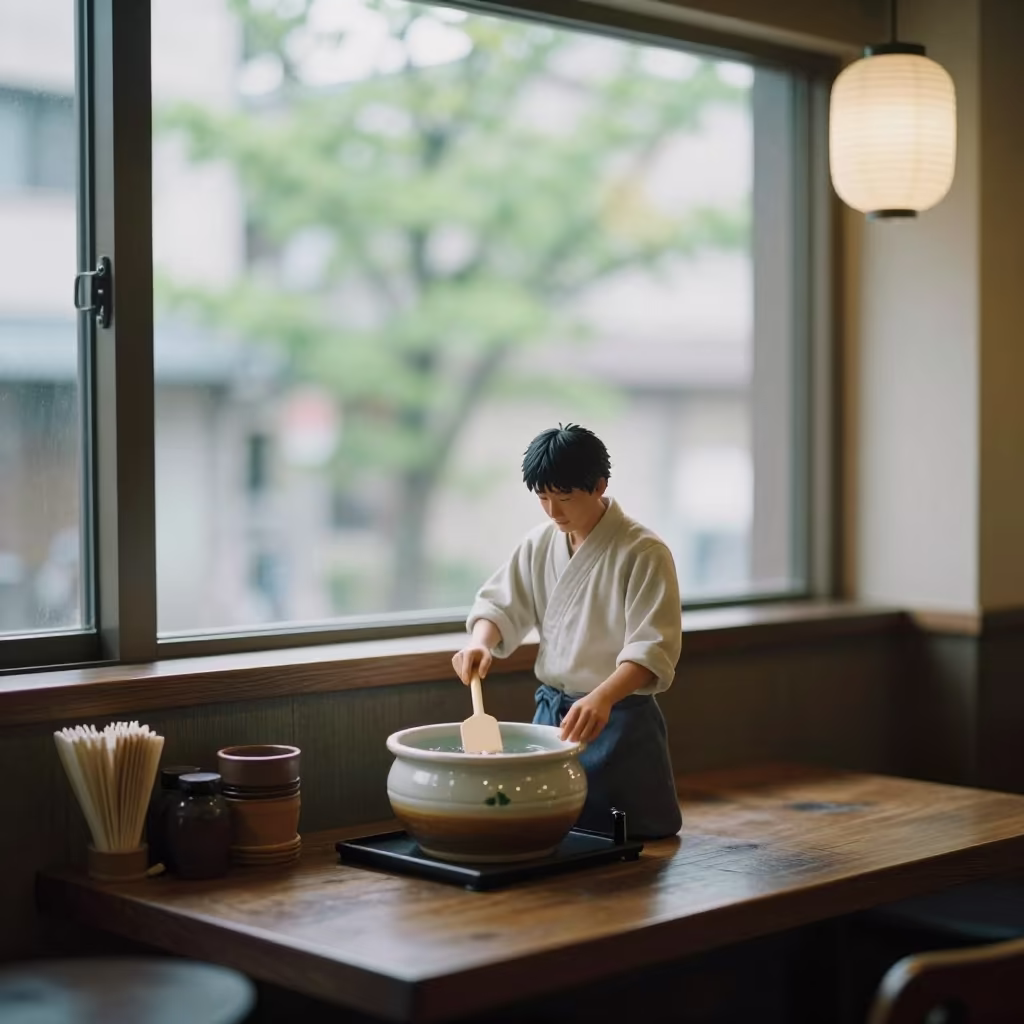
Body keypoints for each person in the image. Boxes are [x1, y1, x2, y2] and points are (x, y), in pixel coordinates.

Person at [452, 423, 683, 839]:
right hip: (553, 717)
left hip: (616, 716)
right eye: (542, 498)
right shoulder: (540, 544)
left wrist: (603, 697)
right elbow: (500, 603)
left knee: (625, 836)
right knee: (549, 830)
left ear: (599, 486)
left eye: (564, 498)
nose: (553, 512)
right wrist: (480, 643)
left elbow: (653, 649)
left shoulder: (643, 552)